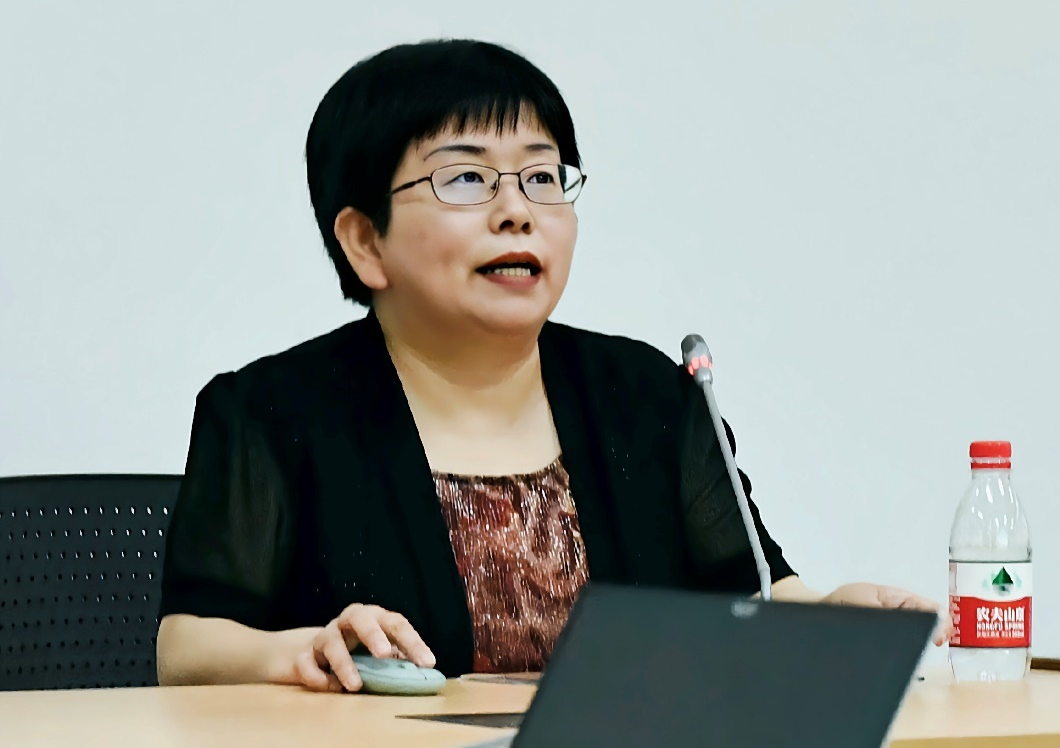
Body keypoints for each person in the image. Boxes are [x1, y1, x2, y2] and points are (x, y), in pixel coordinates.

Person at [155, 39, 948, 692]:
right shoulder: (274, 411)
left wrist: (838, 615)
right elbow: (186, 647)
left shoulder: (647, 398)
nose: (517, 210)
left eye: (541, 176)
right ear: (366, 240)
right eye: (466, 178)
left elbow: (754, 594)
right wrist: (302, 650)